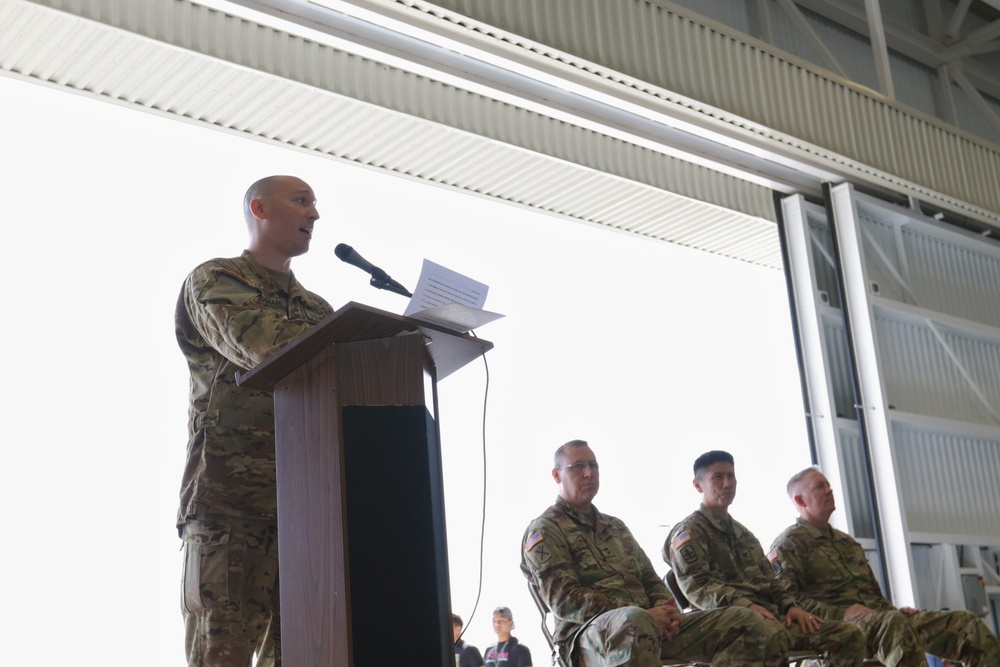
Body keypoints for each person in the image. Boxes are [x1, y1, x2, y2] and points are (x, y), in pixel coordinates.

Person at [175, 175, 335, 666]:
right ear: (259, 209)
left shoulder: (317, 309)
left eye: (316, 203)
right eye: (302, 201)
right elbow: (262, 347)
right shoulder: (217, 279)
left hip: (305, 513)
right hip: (230, 510)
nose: (315, 213)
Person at [520, 439, 784, 667]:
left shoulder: (615, 527)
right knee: (634, 622)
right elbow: (565, 600)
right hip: (586, 637)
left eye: (594, 465)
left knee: (743, 621)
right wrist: (643, 613)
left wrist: (664, 610)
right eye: (578, 466)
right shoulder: (545, 530)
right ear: (556, 476)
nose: (589, 472)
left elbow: (651, 580)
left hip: (646, 624)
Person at [770, 466, 1000, 667]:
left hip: (880, 621)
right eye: (819, 487)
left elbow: (873, 595)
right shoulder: (789, 544)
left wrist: (892, 610)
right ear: (800, 501)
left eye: (828, 485)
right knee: (893, 624)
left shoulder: (846, 543)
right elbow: (787, 601)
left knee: (963, 623)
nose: (829, 490)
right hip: (836, 629)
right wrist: (841, 613)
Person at [663, 450, 866, 667]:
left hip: (771, 617)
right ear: (698, 485)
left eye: (731, 476)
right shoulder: (689, 532)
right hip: (731, 624)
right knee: (770, 635)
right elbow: (698, 588)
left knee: (848, 635)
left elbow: (772, 582)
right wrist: (747, 606)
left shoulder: (745, 535)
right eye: (718, 477)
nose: (727, 483)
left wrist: (791, 607)